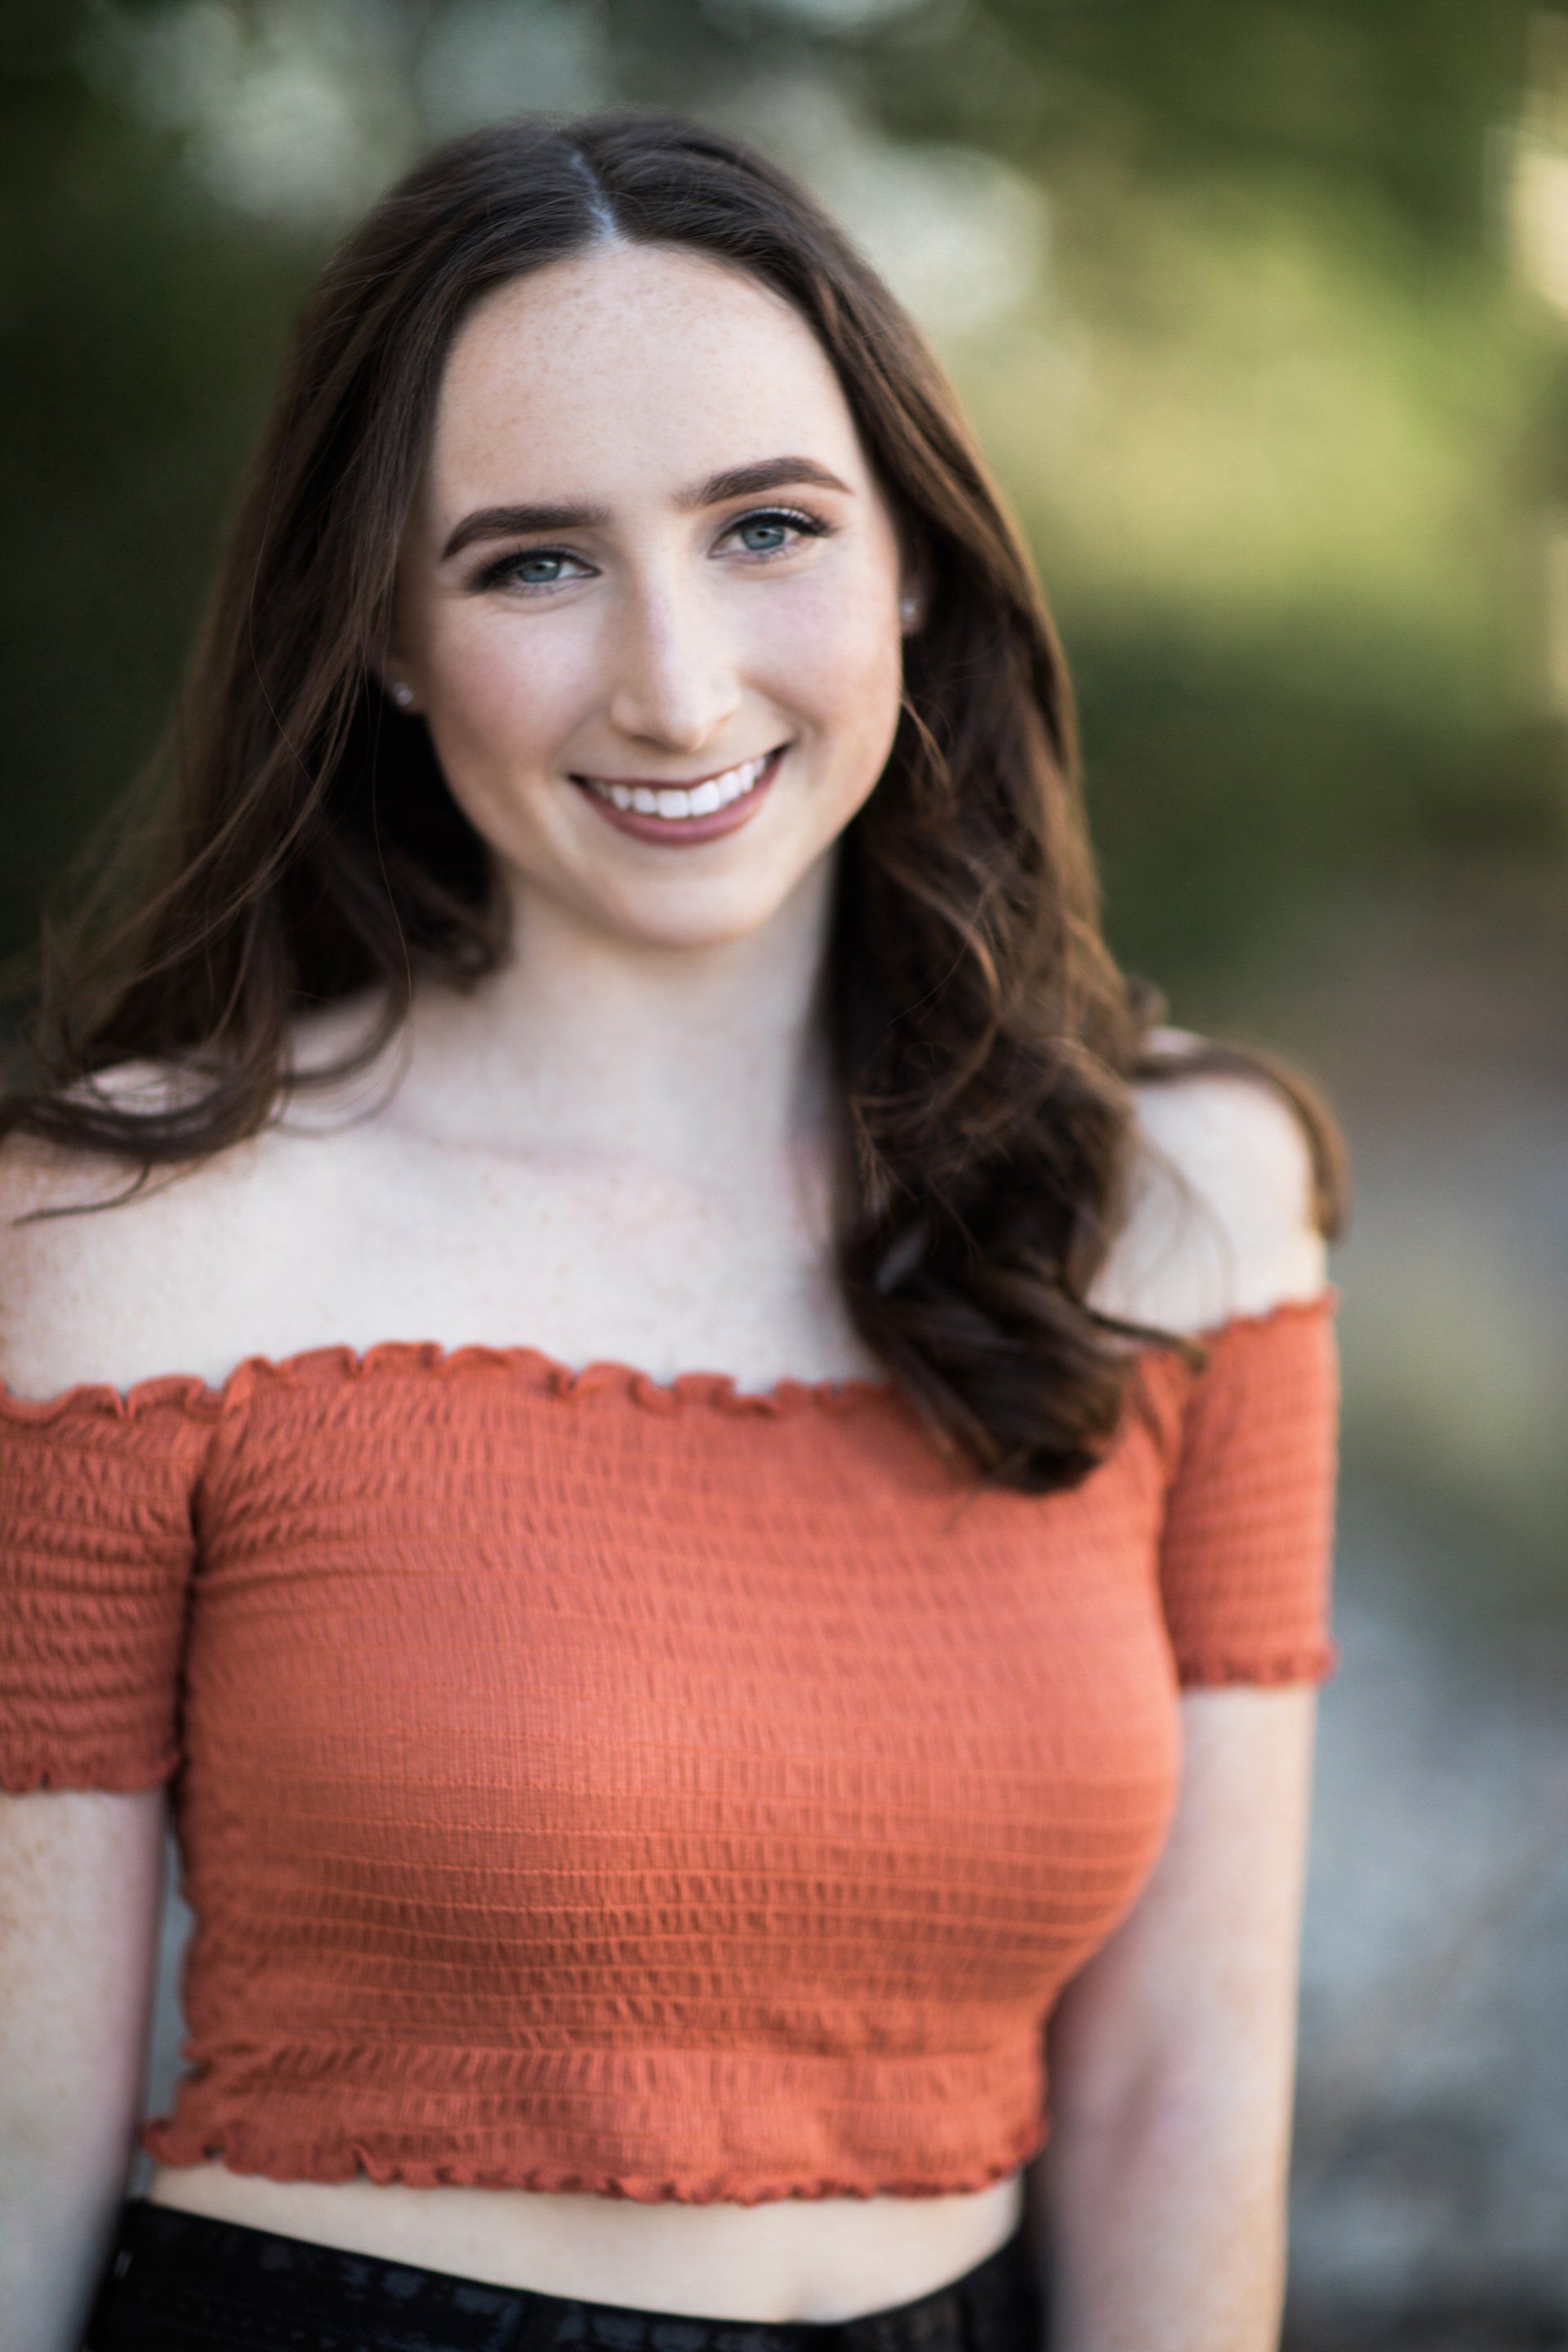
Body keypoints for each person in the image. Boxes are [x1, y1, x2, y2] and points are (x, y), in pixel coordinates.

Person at [0, 109, 1348, 2352]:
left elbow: (1188, 2097)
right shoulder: (140, 1234)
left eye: (768, 529)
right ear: (387, 643)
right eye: (534, 563)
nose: (680, 685)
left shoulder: (1185, 1210)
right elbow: (17, 2126)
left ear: (915, 554)